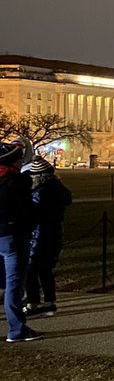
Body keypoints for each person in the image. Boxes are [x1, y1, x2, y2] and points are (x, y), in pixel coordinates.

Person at [24, 156, 72, 320]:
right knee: (46, 269)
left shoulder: (40, 193)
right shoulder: (59, 189)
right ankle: (49, 302)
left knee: (30, 269)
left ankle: (33, 303)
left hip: (40, 233)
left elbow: (33, 214)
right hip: (54, 232)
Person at [1, 140, 39, 342]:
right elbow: (28, 211)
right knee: (14, 284)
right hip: (13, 236)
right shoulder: (16, 182)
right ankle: (16, 329)